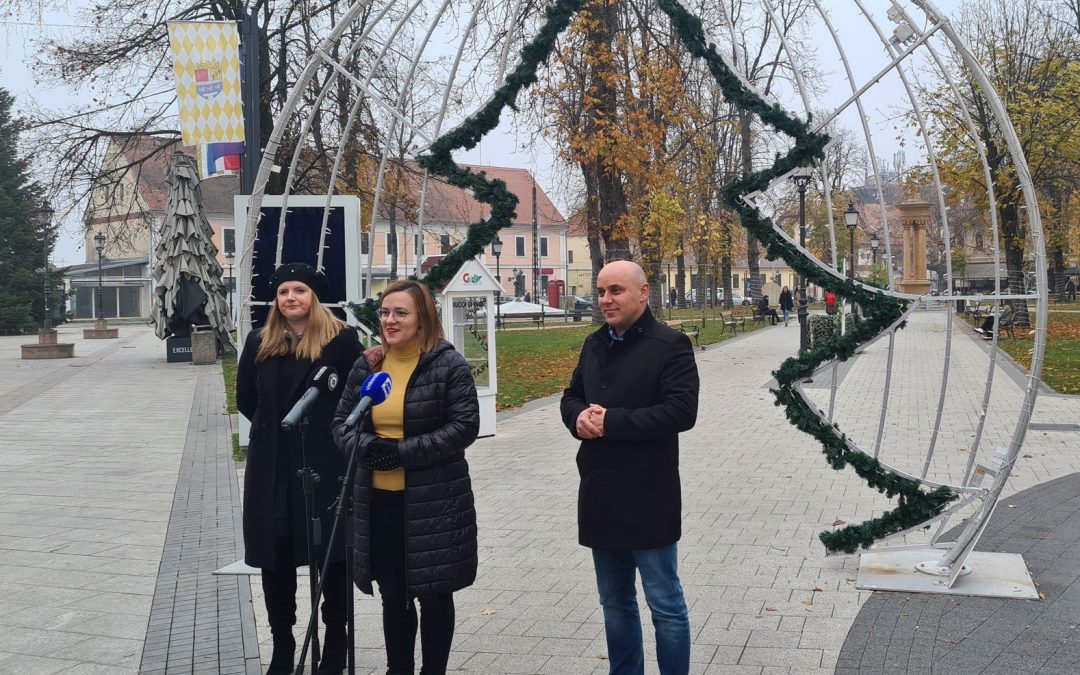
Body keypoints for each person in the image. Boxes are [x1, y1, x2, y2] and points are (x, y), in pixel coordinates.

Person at [333, 279, 479, 675]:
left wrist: (401, 453)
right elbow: (342, 424)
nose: (390, 321)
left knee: (433, 594)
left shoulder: (448, 364)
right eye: (384, 313)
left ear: (422, 318)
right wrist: (367, 448)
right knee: (392, 595)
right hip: (377, 502)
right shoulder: (369, 364)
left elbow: (464, 427)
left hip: (434, 502)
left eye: (401, 313)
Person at [560, 260, 700, 675]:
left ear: (643, 293)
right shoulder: (594, 344)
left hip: (647, 494)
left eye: (616, 290)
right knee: (615, 603)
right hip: (600, 492)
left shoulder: (670, 344)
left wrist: (611, 421)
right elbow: (571, 395)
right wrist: (577, 418)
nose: (606, 300)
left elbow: (681, 412)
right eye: (602, 291)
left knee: (665, 604)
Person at [237, 263, 363, 675]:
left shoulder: (341, 341)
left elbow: (355, 395)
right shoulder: (259, 340)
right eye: (284, 292)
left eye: (300, 290)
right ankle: (283, 641)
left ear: (314, 297)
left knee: (332, 550)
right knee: (275, 552)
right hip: (271, 463)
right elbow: (245, 398)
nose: (291, 298)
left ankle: (336, 638)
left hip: (324, 460)